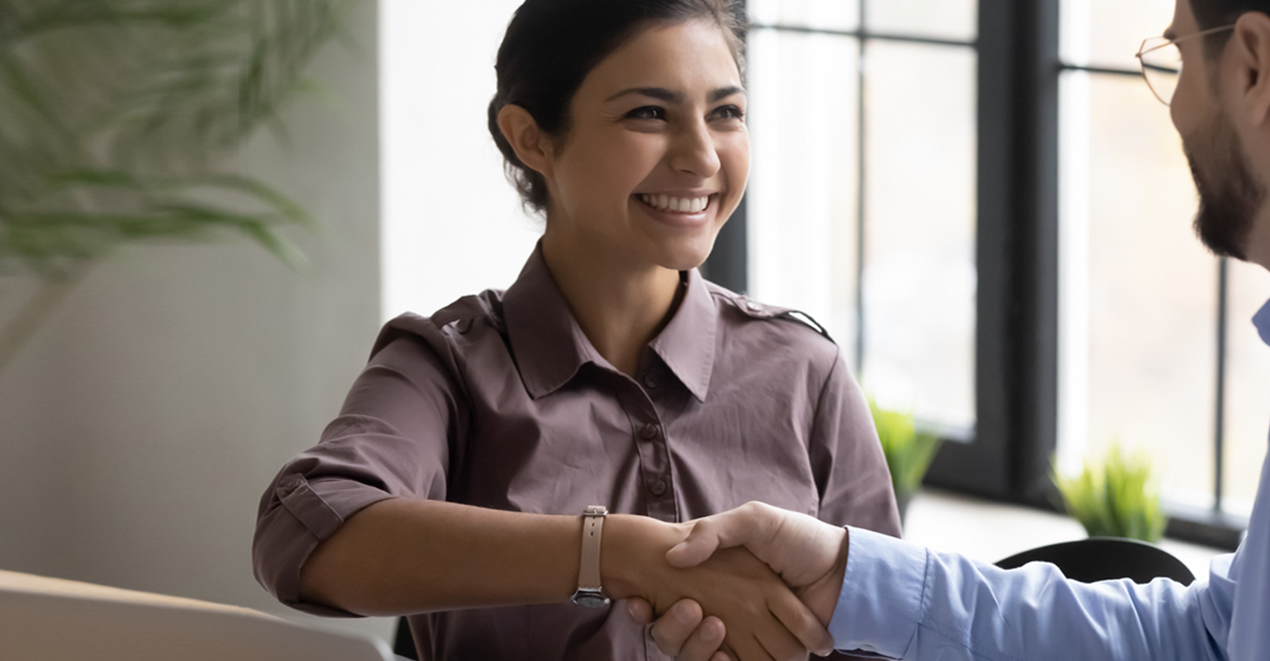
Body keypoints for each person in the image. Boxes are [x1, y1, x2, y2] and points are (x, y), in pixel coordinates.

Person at [635, 0, 1270, 658]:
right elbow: (1221, 638)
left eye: (1175, 57)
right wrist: (854, 577)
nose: (1174, 111)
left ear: (1257, 63)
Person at [249, 1, 900, 659]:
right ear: (531, 138)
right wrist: (618, 551)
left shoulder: (802, 367)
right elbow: (305, 532)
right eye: (648, 113)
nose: (702, 157)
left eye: (725, 112)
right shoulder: (445, 365)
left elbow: (896, 627)